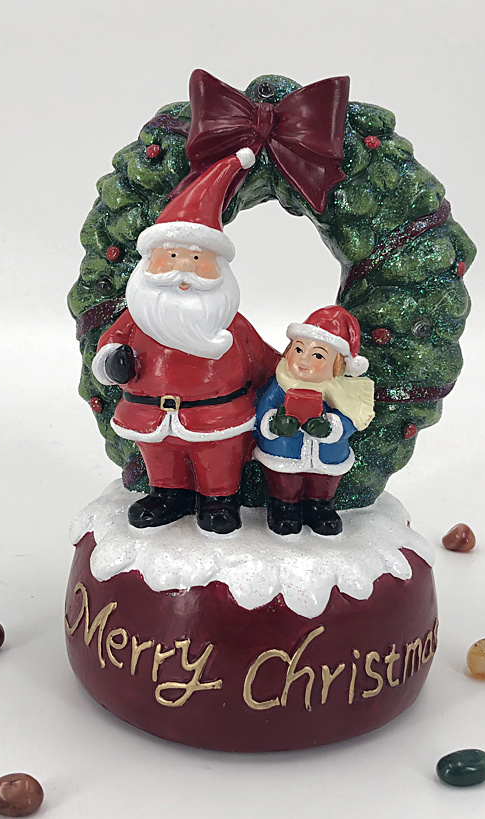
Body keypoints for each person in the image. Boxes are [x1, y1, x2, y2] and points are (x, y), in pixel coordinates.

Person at [92, 149, 279, 535]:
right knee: (161, 458)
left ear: (218, 269)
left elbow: (264, 360)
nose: (183, 271)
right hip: (150, 415)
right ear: (149, 264)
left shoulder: (231, 323)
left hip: (217, 418)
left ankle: (219, 501)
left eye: (197, 260)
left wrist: (295, 373)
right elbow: (109, 345)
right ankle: (167, 495)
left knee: (218, 460)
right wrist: (112, 361)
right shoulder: (139, 318)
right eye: (172, 257)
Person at [253, 306, 375, 536]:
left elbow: (352, 419)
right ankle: (284, 508)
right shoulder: (280, 382)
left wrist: (331, 427)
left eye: (318, 355)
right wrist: (274, 423)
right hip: (284, 451)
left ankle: (321, 508)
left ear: (337, 363)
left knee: (323, 484)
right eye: (299, 349)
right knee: (285, 483)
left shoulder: (344, 391)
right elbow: (263, 410)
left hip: (328, 454)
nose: (304, 360)